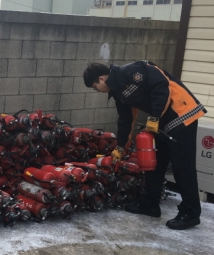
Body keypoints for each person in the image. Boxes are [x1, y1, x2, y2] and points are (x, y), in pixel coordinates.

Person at [83, 61, 206, 230]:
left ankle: (191, 213)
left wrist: (154, 117)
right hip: (162, 121)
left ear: (102, 78)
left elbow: (161, 85)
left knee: (182, 166)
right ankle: (150, 204)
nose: (97, 90)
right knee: (154, 163)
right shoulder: (118, 92)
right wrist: (120, 147)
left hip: (182, 114)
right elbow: (125, 120)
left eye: (95, 86)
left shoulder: (133, 71)